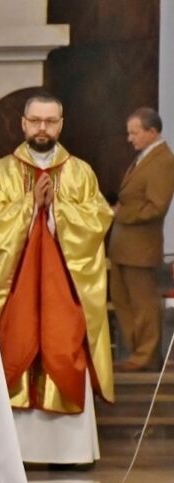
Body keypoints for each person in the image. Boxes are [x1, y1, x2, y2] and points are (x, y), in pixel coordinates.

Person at [0, 93, 114, 468]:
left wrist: (56, 212)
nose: (42, 129)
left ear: (61, 125)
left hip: (62, 288)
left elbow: (98, 219)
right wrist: (29, 207)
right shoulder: (0, 172)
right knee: (16, 347)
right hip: (18, 288)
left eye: (50, 122)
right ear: (23, 123)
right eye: (35, 121)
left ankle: (69, 452)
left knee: (64, 347)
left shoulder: (80, 172)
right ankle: (13, 454)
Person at [110, 107, 174, 372]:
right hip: (124, 247)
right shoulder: (145, 157)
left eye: (134, 133)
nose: (130, 138)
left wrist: (122, 213)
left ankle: (146, 356)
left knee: (144, 303)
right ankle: (137, 353)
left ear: (152, 132)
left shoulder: (163, 161)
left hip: (141, 247)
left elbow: (156, 206)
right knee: (124, 301)